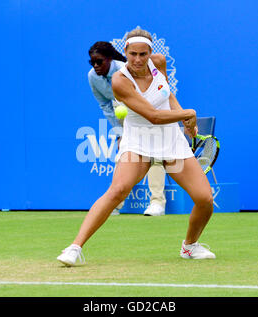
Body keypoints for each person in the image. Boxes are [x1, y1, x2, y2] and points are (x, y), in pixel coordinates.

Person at [58, 28, 215, 266]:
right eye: (133, 54)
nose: (138, 60)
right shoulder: (120, 81)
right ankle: (74, 248)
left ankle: (190, 246)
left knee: (205, 199)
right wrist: (189, 113)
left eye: (143, 54)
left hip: (170, 139)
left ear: (151, 52)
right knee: (118, 190)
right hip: (139, 140)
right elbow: (152, 115)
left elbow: (167, 94)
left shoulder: (159, 63)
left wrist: (185, 121)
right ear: (125, 52)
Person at [87, 41, 167, 216]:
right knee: (122, 158)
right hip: (125, 119)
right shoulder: (92, 76)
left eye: (99, 61)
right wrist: (119, 132)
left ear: (109, 59)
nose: (95, 66)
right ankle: (114, 204)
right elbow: (106, 105)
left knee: (154, 157)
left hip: (147, 113)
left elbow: (148, 96)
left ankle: (157, 203)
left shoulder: (128, 70)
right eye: (92, 62)